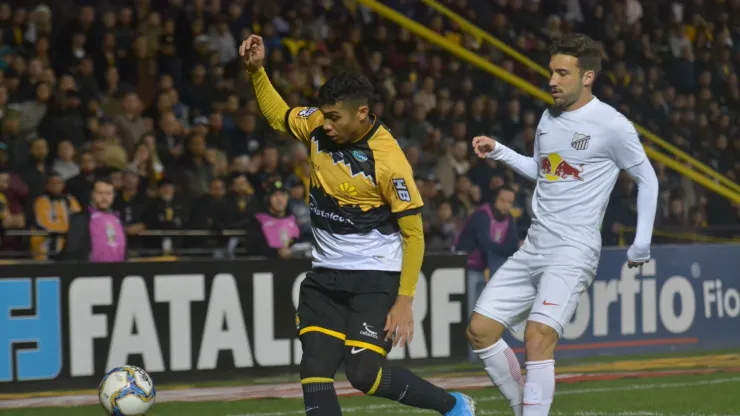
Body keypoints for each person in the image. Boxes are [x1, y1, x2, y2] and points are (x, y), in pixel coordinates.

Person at [240, 35, 475, 416]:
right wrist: (256, 72)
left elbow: (414, 234)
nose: (326, 125)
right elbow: (277, 115)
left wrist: (404, 301)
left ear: (362, 113)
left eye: (335, 118)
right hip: (324, 276)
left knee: (364, 373)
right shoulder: (317, 124)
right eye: (324, 115)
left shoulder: (389, 161)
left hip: (374, 279)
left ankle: (454, 407)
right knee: (314, 367)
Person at [466, 33, 659, 416]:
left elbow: (647, 179)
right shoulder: (547, 118)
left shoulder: (611, 124)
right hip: (534, 245)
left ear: (587, 77)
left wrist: (642, 243)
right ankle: (527, 408)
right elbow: (543, 171)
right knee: (480, 330)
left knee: (538, 338)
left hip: (573, 250)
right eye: (551, 71)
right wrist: (501, 151)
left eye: (562, 73)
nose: (552, 81)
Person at [453, 185, 519, 320]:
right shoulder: (481, 215)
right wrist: (502, 248)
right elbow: (484, 243)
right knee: (468, 312)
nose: (506, 205)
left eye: (510, 202)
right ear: (495, 199)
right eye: (502, 201)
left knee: (480, 315)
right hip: (468, 268)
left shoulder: (508, 219)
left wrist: (499, 247)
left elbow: (512, 247)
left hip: (486, 270)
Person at [62, 178, 127, 262]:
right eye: (100, 193)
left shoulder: (117, 219)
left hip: (118, 271)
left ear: (113, 196)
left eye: (108, 193)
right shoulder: (81, 218)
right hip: (90, 272)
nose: (104, 197)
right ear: (92, 194)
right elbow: (71, 251)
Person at [244, 179, 301, 259]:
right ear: (268, 199)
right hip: (267, 266)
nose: (279, 199)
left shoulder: (293, 218)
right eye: (275, 195)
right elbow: (252, 247)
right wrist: (276, 252)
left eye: (283, 195)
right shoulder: (259, 220)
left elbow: (298, 241)